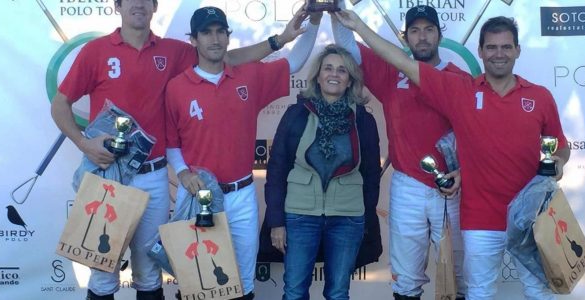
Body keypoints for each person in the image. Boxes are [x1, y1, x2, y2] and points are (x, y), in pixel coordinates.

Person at [50, 0, 306, 299]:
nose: (139, 4)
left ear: (155, 6)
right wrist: (83, 143)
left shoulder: (174, 51)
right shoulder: (95, 51)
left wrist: (279, 41)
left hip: (154, 175)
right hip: (110, 173)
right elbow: (60, 105)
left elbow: (228, 57)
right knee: (102, 273)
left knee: (148, 273)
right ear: (118, 5)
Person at [335, 12, 571, 300]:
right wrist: (354, 22)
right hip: (467, 209)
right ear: (480, 52)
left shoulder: (534, 95)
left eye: (506, 47)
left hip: (525, 211)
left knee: (536, 290)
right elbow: (401, 62)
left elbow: (557, 144)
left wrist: (557, 160)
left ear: (518, 51)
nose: (499, 54)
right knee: (471, 291)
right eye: (492, 47)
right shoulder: (461, 90)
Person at [163, 6, 320, 300]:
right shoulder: (176, 87)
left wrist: (316, 21)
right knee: (198, 283)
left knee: (243, 283)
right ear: (194, 40)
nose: (214, 39)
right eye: (206, 33)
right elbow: (171, 142)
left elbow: (295, 62)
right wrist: (182, 172)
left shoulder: (248, 76)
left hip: (241, 195)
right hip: (197, 198)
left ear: (227, 37)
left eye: (220, 32)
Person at [332, 5, 468, 299]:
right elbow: (346, 47)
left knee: (457, 278)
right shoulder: (391, 73)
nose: (422, 37)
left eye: (429, 30)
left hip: (452, 189)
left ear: (440, 35)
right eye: (415, 31)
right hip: (408, 186)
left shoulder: (458, 78)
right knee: (406, 281)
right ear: (405, 38)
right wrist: (336, 7)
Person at [262, 44, 381, 300]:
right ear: (318, 74)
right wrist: (276, 222)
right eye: (328, 68)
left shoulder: (363, 119)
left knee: (338, 292)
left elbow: (372, 174)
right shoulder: (297, 114)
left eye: (342, 70)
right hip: (300, 215)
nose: (334, 74)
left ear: (350, 80)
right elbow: (277, 167)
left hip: (347, 217)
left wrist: (367, 218)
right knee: (294, 291)